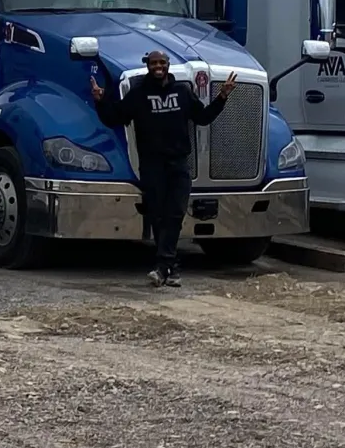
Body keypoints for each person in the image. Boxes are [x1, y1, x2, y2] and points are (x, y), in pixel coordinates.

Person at [90, 51, 237, 287]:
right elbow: (114, 117)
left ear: (168, 66)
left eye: (162, 63)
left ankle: (163, 267)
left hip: (179, 162)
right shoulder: (138, 94)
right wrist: (100, 100)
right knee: (158, 215)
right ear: (148, 65)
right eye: (154, 63)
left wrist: (222, 97)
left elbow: (202, 117)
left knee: (175, 214)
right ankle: (170, 268)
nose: (158, 66)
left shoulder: (182, 92)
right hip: (152, 164)